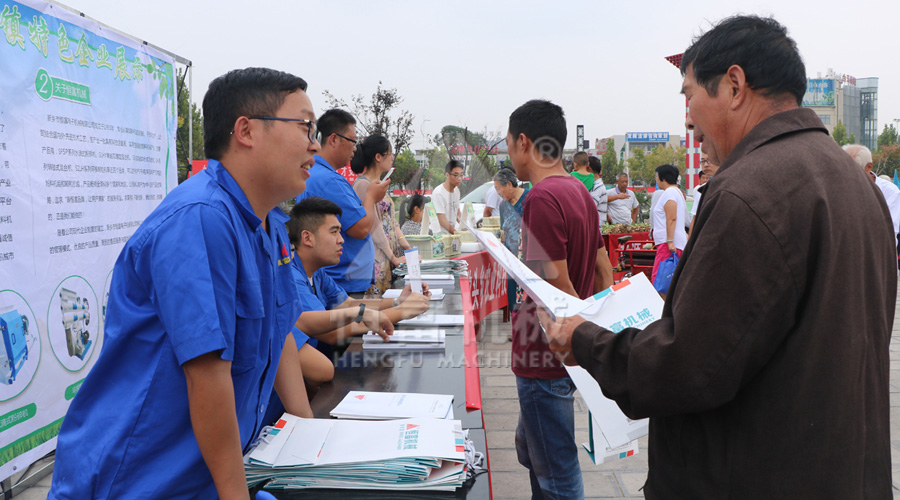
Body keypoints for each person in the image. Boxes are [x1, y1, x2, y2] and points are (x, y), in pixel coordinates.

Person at [539, 15, 895, 499]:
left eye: (689, 96)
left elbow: (686, 366)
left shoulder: (750, 191)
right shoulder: (856, 183)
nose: (687, 118)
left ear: (733, 85)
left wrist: (584, 341)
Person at [49, 68, 319, 499]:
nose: (315, 143)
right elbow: (206, 375)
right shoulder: (201, 218)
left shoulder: (268, 226)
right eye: (305, 125)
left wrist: (312, 448)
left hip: (202, 478)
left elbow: (279, 333)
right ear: (246, 130)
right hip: (136, 480)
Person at [506, 99, 614, 500]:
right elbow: (604, 270)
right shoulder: (579, 192)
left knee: (557, 474)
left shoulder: (541, 199)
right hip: (562, 353)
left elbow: (557, 288)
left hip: (545, 355)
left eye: (507, 144)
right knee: (534, 452)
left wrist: (581, 339)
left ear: (523, 142)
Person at [287, 196, 430, 362]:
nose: (341, 240)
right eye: (334, 232)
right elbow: (331, 334)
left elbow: (348, 304)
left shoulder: (317, 273)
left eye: (340, 232)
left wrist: (398, 301)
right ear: (307, 238)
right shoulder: (292, 279)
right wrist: (402, 311)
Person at [297, 109, 390, 295]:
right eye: (352, 141)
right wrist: (371, 197)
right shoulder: (330, 181)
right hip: (343, 283)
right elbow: (361, 228)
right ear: (333, 139)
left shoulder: (318, 174)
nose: (355, 148)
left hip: (337, 280)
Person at [350, 135, 410, 296]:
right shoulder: (363, 185)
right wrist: (393, 258)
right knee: (378, 307)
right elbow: (374, 227)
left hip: (388, 256)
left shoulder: (379, 184)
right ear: (378, 157)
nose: (392, 157)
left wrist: (406, 246)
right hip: (377, 257)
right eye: (389, 153)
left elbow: (391, 222)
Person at [844, 144, 900, 250]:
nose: (846, 173)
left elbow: (889, 234)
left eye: (851, 169)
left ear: (869, 167)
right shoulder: (839, 188)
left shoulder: (890, 192)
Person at [493, 168, 529, 312]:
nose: (498, 193)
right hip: (511, 263)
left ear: (508, 184)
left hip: (529, 263)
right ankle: (516, 333)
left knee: (528, 303)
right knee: (513, 301)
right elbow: (504, 232)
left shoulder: (530, 199)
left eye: (498, 188)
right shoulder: (503, 206)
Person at [649, 164, 687, 284]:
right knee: (667, 281)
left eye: (657, 176)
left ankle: (665, 303)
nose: (656, 179)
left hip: (668, 245)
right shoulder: (676, 192)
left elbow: (671, 218)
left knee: (660, 281)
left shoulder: (669, 193)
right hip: (671, 243)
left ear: (663, 178)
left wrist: (670, 241)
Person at [688, 153, 719, 237]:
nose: (705, 165)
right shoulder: (701, 190)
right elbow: (695, 217)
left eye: (708, 161)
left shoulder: (729, 186)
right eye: (702, 161)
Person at [431, 160, 463, 234]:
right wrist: (456, 233)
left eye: (461, 175)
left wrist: (466, 228)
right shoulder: (439, 193)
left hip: (452, 233)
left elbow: (458, 213)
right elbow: (441, 220)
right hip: (441, 236)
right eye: (456, 175)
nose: (459, 178)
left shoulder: (456, 190)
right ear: (447, 175)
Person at [587, 156, 607, 226]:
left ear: (588, 167)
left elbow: (588, 207)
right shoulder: (594, 185)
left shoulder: (598, 187)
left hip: (596, 229)